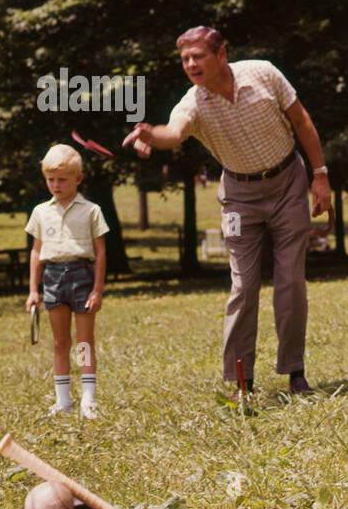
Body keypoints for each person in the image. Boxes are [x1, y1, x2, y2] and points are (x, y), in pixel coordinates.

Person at [122, 26, 331, 394]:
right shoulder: (194, 101)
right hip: (239, 196)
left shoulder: (264, 74)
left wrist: (320, 175)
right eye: (185, 59)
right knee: (243, 285)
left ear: (221, 55)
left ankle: (295, 372)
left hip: (288, 184)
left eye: (198, 56)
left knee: (290, 281)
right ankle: (241, 381)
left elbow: (302, 122)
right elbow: (174, 132)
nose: (191, 64)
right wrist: (151, 136)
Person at [25, 144, 109, 417]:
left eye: (62, 179)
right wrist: (33, 290)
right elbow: (36, 251)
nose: (56, 185)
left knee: (85, 342)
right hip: (53, 279)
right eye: (51, 179)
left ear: (78, 179)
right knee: (61, 343)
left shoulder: (91, 210)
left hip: (82, 276)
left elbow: (100, 252)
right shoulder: (40, 212)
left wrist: (97, 290)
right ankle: (63, 401)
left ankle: (88, 400)